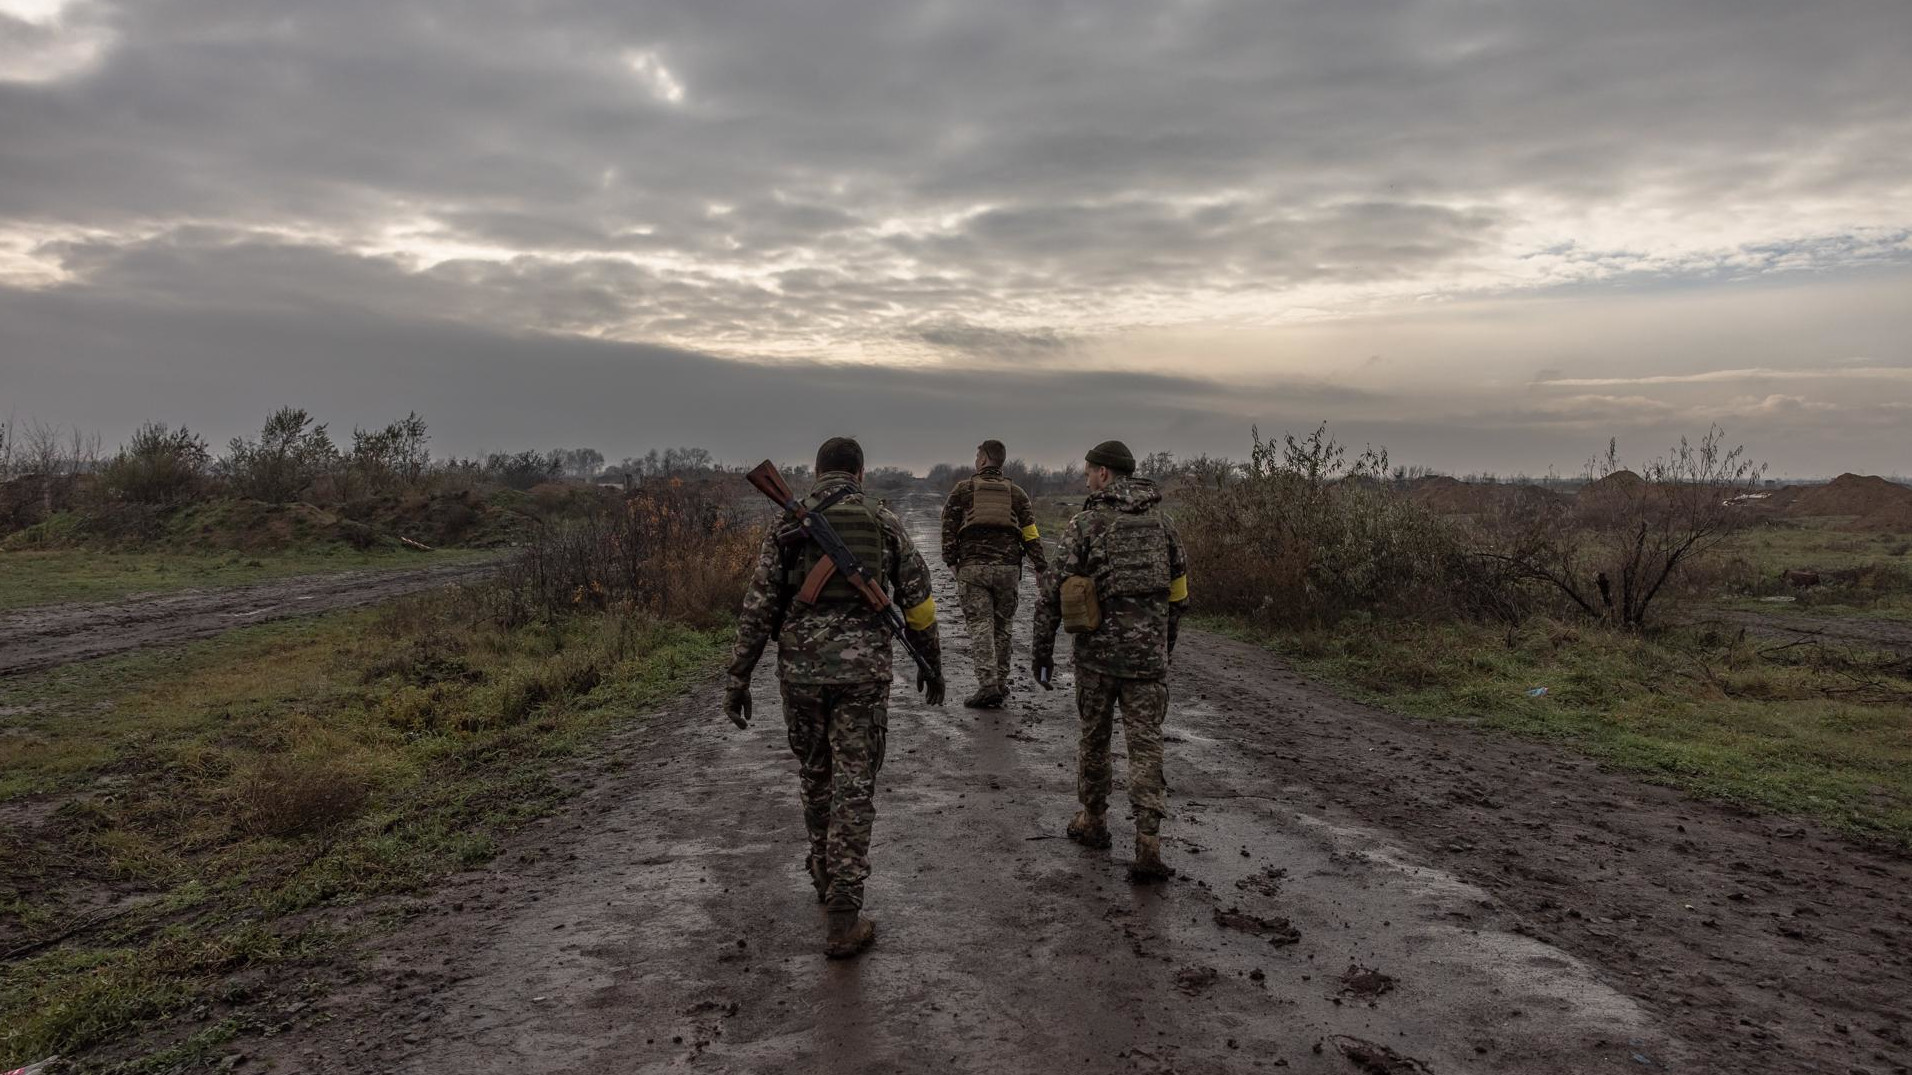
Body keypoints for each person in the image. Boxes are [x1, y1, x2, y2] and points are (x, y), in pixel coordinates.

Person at [725, 436, 945, 958]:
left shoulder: (787, 528)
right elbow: (918, 598)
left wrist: (738, 678)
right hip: (864, 676)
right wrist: (931, 663)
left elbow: (757, 610)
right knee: (854, 785)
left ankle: (826, 872)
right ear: (861, 474)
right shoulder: (881, 520)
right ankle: (844, 912)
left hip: (800, 674)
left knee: (816, 773)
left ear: (818, 472)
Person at [1032, 440, 1189, 881]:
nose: (1084, 476)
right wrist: (1163, 646)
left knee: (1095, 740)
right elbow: (1179, 595)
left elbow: (1051, 596)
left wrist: (1042, 652)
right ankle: (1148, 843)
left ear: (1104, 473)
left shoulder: (1086, 523)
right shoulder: (1164, 523)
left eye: (1088, 470)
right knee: (1146, 744)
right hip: (1147, 662)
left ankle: (1094, 821)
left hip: (1097, 661)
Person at [940, 439, 1050, 708]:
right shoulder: (1017, 493)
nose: (976, 459)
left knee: (980, 625)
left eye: (978, 455)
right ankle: (1000, 682)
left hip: (973, 568)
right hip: (1008, 570)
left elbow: (948, 526)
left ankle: (988, 685)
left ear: (984, 459)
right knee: (1003, 627)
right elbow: (1030, 533)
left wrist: (951, 560)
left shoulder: (964, 490)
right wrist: (1040, 566)